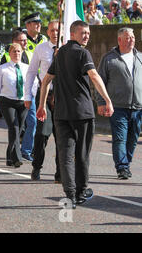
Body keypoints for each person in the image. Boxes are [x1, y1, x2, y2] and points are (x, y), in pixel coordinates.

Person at [37, 20, 114, 209]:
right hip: (82, 113)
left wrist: (42, 105)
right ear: (72, 34)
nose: (86, 36)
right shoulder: (82, 53)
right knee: (81, 154)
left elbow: (46, 80)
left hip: (61, 113)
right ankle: (80, 191)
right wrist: (107, 99)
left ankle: (69, 194)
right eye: (83, 33)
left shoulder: (60, 52)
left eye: (88, 33)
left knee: (65, 154)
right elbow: (94, 76)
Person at [96, 27, 141, 180]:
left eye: (133, 37)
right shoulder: (109, 58)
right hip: (117, 106)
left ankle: (125, 164)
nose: (132, 40)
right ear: (120, 40)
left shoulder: (140, 57)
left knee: (133, 139)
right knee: (120, 138)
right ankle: (122, 168)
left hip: (138, 107)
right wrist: (101, 102)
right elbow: (99, 81)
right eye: (128, 37)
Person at [24, 20, 62, 182]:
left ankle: (60, 172)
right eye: (52, 30)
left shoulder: (68, 48)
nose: (55, 33)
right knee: (42, 134)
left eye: (58, 30)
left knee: (62, 136)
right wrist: (27, 96)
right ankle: (37, 166)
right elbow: (31, 72)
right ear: (48, 32)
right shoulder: (41, 48)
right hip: (45, 94)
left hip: (62, 96)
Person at [0, 43, 37, 168]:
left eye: (19, 51)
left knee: (18, 129)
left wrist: (32, 96)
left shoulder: (27, 68)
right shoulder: (2, 69)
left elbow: (35, 83)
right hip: (7, 101)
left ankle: (9, 157)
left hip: (23, 102)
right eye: (14, 51)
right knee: (14, 127)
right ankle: (17, 157)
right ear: (9, 54)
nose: (17, 54)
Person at [1, 29, 36, 162]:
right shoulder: (6, 56)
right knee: (14, 127)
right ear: (14, 42)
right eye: (22, 40)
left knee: (31, 123)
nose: (25, 42)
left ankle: (26, 150)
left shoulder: (31, 54)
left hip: (28, 95)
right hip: (10, 97)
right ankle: (13, 155)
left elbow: (35, 74)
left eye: (26, 40)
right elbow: (0, 76)